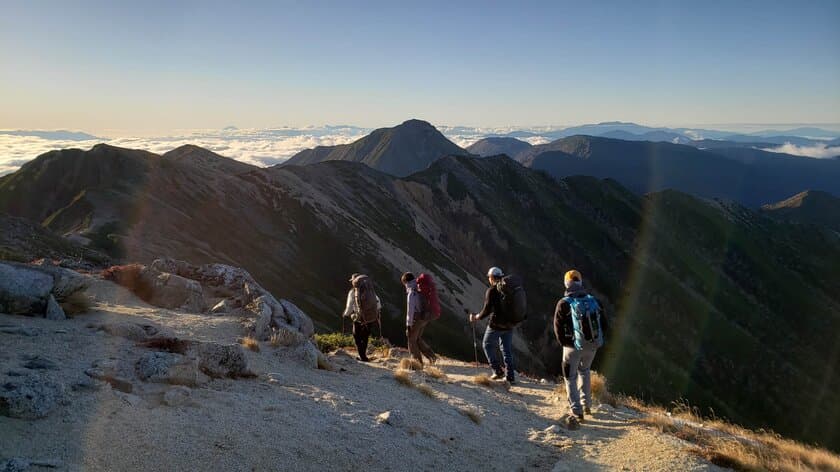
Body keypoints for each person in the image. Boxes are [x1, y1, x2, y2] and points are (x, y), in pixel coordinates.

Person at [553, 269, 608, 421]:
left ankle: (576, 411)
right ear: (580, 282)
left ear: (566, 283)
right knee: (584, 371)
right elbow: (604, 324)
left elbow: (557, 329)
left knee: (570, 377)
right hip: (592, 346)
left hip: (572, 347)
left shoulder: (563, 303)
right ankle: (586, 405)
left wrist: (567, 344)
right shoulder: (593, 301)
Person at [469, 266, 516, 384]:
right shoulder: (509, 289)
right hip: (509, 324)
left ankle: (497, 371)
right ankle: (510, 377)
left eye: (489, 277)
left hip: (496, 324)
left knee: (487, 344)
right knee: (507, 350)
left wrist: (476, 317)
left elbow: (486, 310)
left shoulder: (492, 291)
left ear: (491, 278)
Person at [342, 273, 381, 362]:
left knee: (356, 336)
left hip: (359, 316)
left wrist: (345, 314)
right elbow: (378, 303)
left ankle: (362, 356)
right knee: (365, 336)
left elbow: (349, 306)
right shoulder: (370, 290)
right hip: (370, 316)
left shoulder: (353, 292)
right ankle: (363, 355)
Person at [401, 272, 437, 366]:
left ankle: (417, 363)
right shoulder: (419, 288)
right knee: (418, 338)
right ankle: (432, 356)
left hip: (418, 318)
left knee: (411, 339)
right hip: (425, 317)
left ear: (406, 282)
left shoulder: (411, 293)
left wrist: (408, 325)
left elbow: (410, 311)